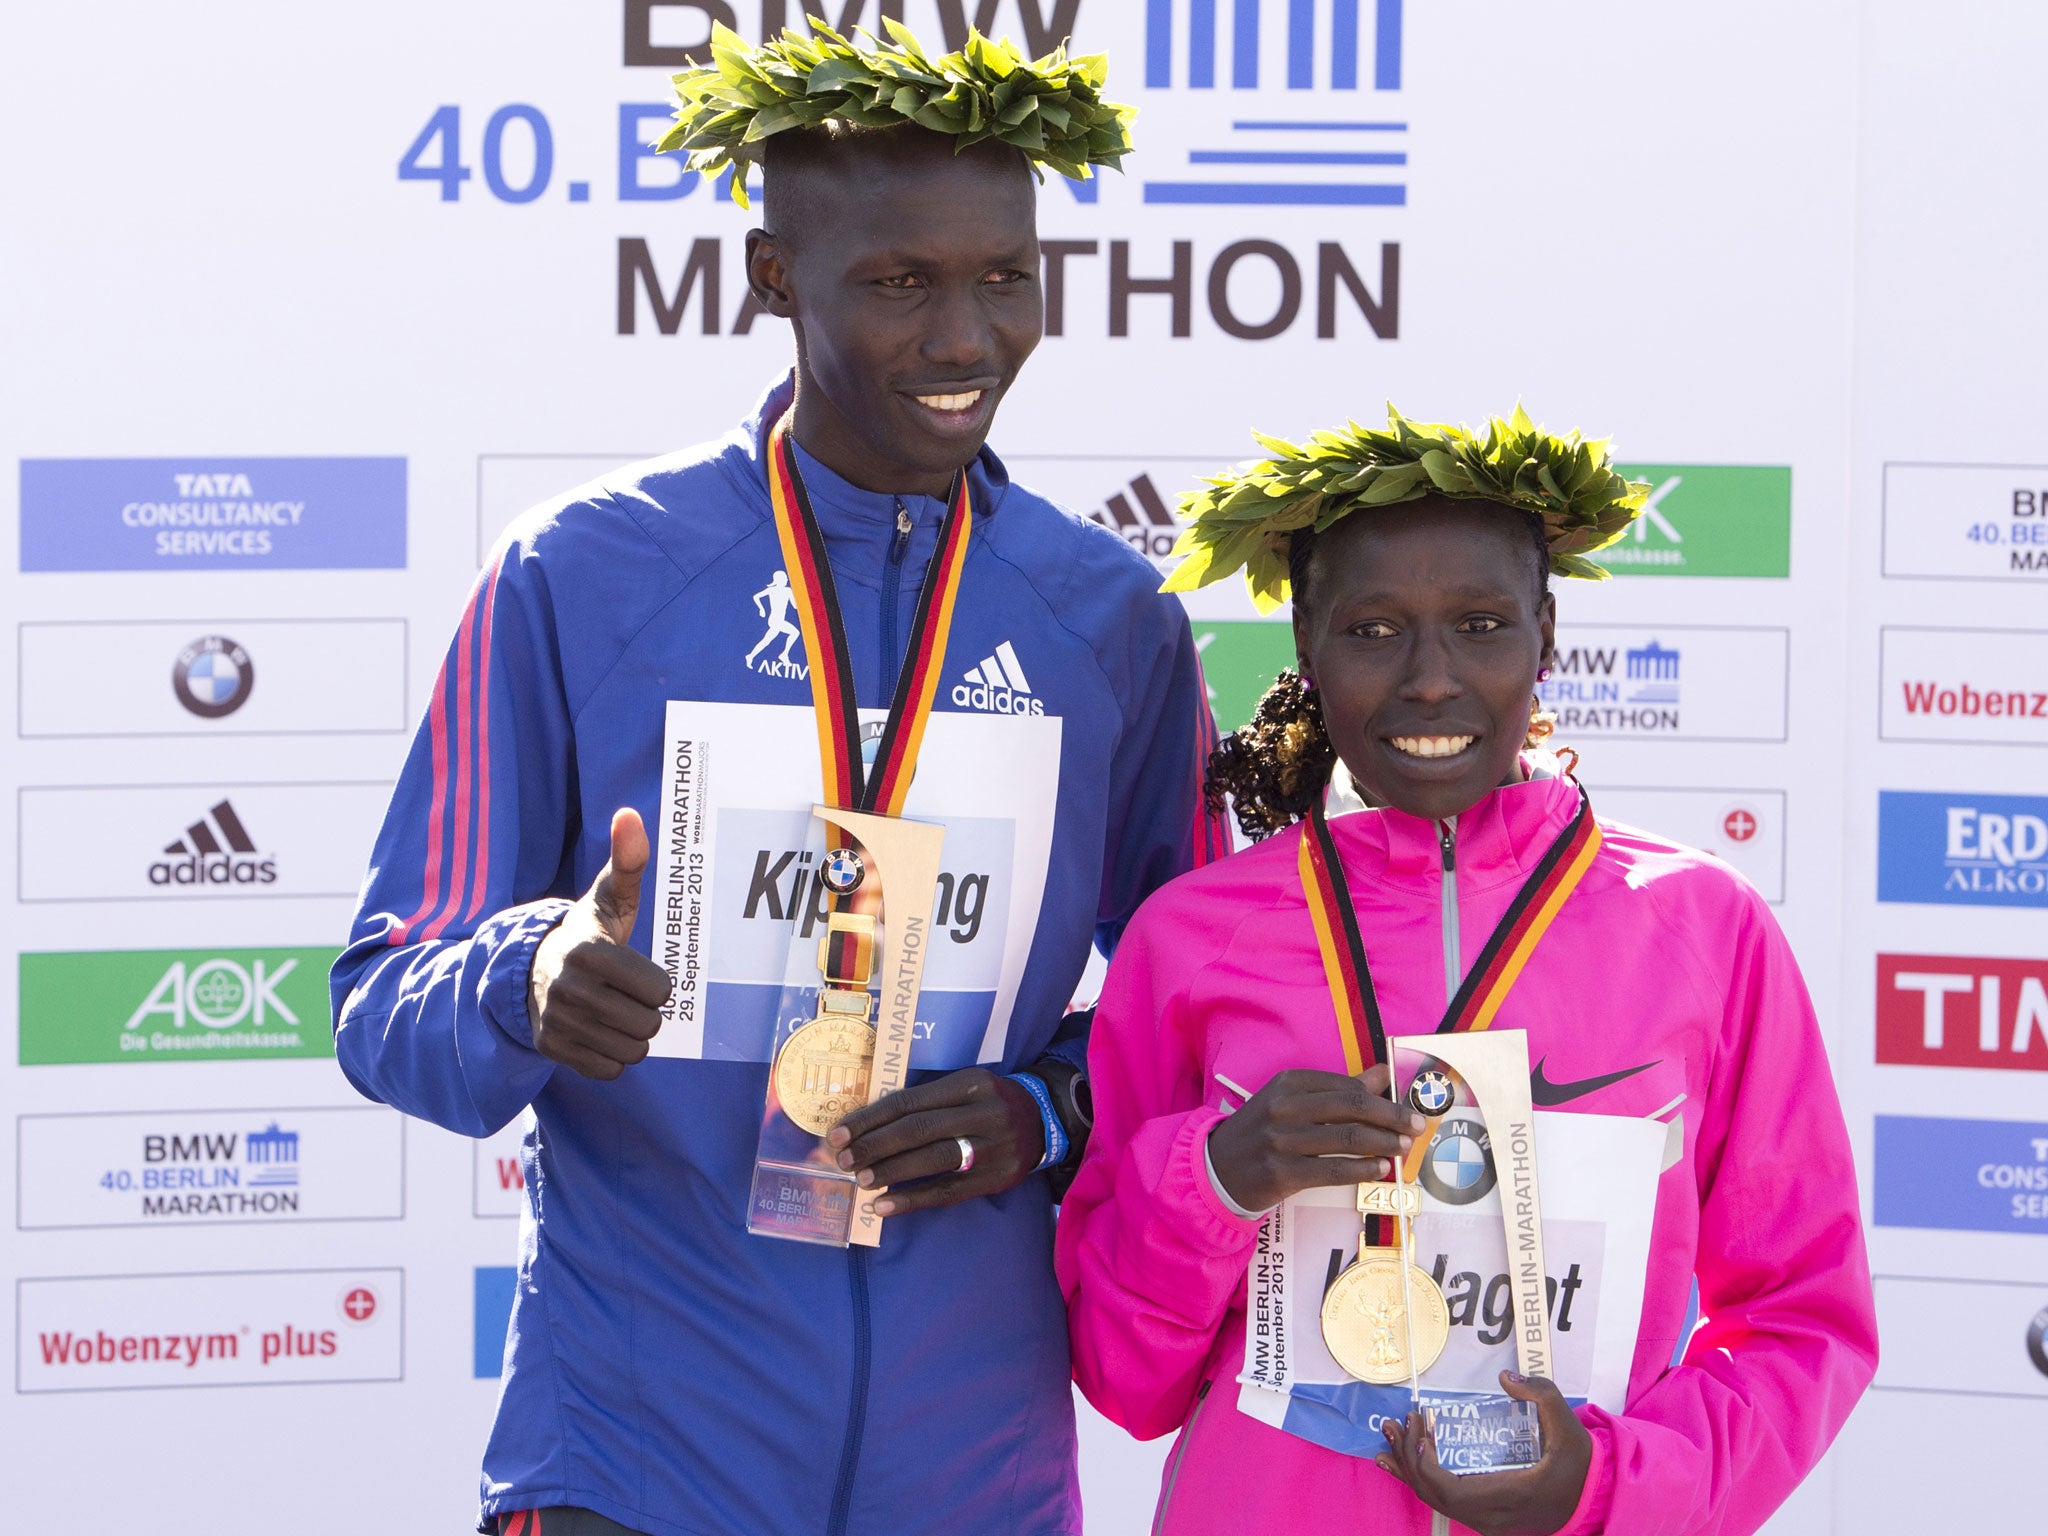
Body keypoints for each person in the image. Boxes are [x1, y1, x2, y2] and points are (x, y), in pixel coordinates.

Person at [331, 23, 1223, 1536]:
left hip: (975, 1472)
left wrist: (1041, 1110)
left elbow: (1197, 1017)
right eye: (899, 283)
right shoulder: (581, 576)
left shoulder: (1109, 625)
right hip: (633, 1458)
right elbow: (380, 1001)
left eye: (1006, 278)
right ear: (770, 280)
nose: (965, 339)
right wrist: (526, 977)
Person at [1055, 408, 1877, 1536]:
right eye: (1373, 630)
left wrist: (1602, 1484)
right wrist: (1217, 1180)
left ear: (1542, 637)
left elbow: (1801, 1324)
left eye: (1480, 625)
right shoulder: (1191, 938)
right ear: (1303, 640)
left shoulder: (1700, 928)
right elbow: (1121, 1378)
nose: (1430, 680)